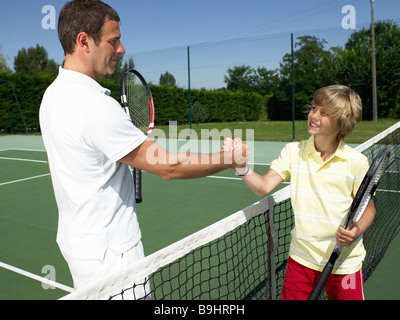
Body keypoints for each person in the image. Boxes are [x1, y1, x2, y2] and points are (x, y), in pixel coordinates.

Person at [39, 0, 248, 295]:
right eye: (114, 41)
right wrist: (229, 158)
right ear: (84, 41)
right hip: (114, 256)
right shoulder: (96, 106)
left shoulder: (51, 96)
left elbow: (55, 163)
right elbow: (168, 166)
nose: (121, 49)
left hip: (80, 248)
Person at [225, 85, 375, 300]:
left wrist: (357, 229)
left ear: (341, 123)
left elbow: (369, 208)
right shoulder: (293, 152)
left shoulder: (357, 163)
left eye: (324, 113)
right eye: (314, 108)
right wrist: (241, 167)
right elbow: (264, 187)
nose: (314, 115)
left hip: (345, 263)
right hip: (301, 260)